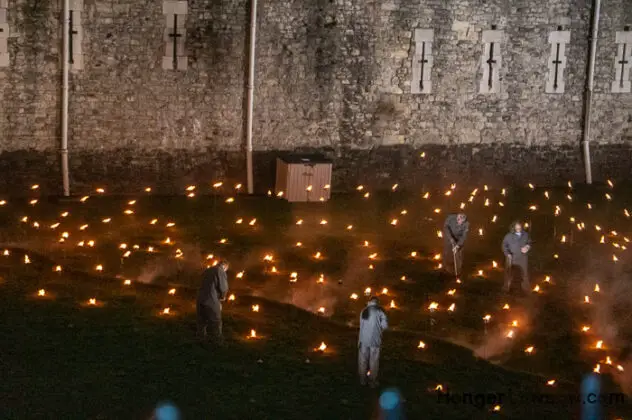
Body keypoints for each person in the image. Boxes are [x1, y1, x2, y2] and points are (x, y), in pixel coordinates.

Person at [358, 296, 388, 388]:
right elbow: (385, 326)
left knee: (362, 360)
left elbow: (361, 325)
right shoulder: (380, 311)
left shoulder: (364, 311)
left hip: (363, 340)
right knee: (374, 361)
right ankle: (372, 382)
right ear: (377, 302)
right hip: (375, 341)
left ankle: (362, 380)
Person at [197, 260, 229, 345]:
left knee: (202, 322)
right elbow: (223, 287)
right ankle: (218, 343)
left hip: (200, 299)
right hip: (211, 300)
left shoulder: (207, 270)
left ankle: (201, 341)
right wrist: (223, 297)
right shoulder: (220, 270)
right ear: (225, 266)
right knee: (216, 321)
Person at [502, 221, 531, 293]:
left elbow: (529, 242)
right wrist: (507, 253)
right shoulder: (508, 236)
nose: (518, 228)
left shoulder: (525, 234)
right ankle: (506, 288)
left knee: (524, 273)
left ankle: (526, 289)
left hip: (523, 257)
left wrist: (527, 247)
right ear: (513, 227)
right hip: (512, 257)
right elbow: (504, 245)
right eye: (516, 227)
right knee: (509, 273)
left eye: (519, 227)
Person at [442, 213, 469, 278]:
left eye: (462, 222)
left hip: (458, 238)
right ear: (457, 218)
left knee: (459, 253)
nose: (460, 224)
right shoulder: (450, 218)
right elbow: (446, 228)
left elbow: (464, 236)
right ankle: (445, 267)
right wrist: (451, 239)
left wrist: (457, 245)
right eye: (460, 221)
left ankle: (458, 271)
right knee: (447, 251)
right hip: (449, 237)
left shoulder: (466, 224)